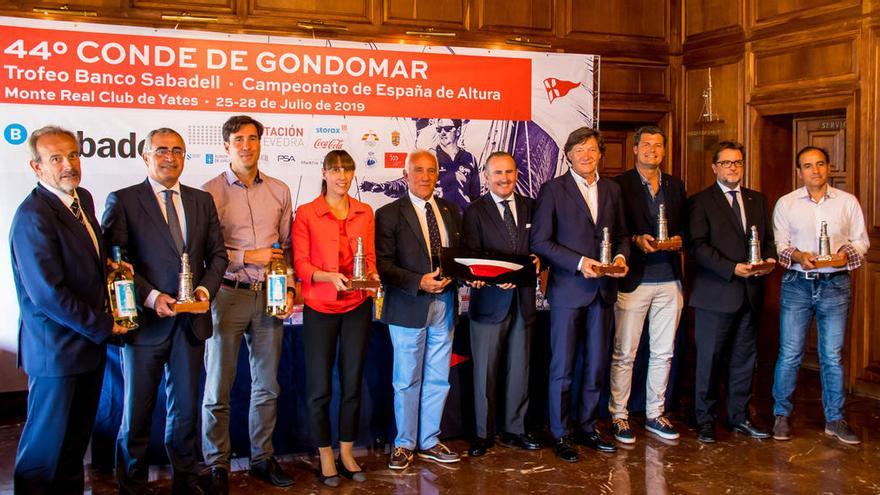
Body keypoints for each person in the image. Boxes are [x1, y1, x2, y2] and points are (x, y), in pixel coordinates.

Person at [103, 128, 228, 494]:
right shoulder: (123, 201)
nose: (169, 157)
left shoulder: (201, 200)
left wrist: (204, 289)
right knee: (137, 413)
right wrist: (151, 296)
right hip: (145, 324)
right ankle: (133, 484)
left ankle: (186, 478)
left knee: (186, 410)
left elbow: (218, 255)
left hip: (190, 323)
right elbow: (116, 262)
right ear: (145, 156)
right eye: (161, 150)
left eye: (177, 150)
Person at [11, 126, 129, 494]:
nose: (68, 165)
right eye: (56, 159)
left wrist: (109, 268)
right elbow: (48, 294)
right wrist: (105, 325)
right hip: (56, 353)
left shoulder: (83, 200)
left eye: (73, 155)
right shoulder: (33, 215)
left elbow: (85, 260)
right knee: (44, 453)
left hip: (86, 350)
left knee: (74, 447)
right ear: (36, 166)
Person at [201, 115, 295, 494]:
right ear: (226, 146)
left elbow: (284, 249)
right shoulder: (208, 192)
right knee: (218, 387)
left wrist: (288, 288)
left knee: (267, 386)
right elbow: (206, 252)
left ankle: (262, 458)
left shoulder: (279, 189)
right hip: (227, 294)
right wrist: (245, 255)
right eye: (238, 139)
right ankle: (217, 464)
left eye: (252, 138)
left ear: (260, 143)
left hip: (269, 297)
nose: (246, 145)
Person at [530, 127, 630, 462]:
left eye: (591, 149)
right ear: (568, 154)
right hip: (568, 291)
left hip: (603, 291)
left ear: (600, 153)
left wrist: (619, 257)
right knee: (563, 366)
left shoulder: (613, 190)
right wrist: (579, 262)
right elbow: (541, 242)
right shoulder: (553, 190)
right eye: (579, 150)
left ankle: (588, 426)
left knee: (597, 365)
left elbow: (623, 236)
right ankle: (561, 433)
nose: (586, 155)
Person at [770, 146, 869, 445]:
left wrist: (843, 256)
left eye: (820, 164)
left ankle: (835, 420)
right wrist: (799, 255)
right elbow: (781, 246)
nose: (815, 170)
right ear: (799, 171)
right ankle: (781, 416)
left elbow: (861, 241)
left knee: (832, 356)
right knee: (789, 354)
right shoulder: (786, 204)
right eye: (808, 166)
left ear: (829, 168)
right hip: (798, 284)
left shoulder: (847, 203)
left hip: (835, 284)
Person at [293, 150, 379, 486]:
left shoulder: (365, 211)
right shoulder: (306, 213)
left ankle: (346, 451)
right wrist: (328, 277)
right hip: (321, 308)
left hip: (357, 305)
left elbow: (369, 258)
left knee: (352, 384)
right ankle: (325, 453)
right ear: (325, 173)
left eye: (347, 170)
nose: (342, 176)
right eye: (335, 170)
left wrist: (371, 277)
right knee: (319, 388)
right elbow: (300, 264)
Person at [375, 150, 463, 470]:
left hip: (445, 304)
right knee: (406, 379)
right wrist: (419, 282)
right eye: (419, 171)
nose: (425, 177)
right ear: (406, 173)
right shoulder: (388, 214)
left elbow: (458, 254)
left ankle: (429, 440)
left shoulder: (450, 210)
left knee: (440, 378)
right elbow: (383, 265)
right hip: (408, 306)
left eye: (431, 171)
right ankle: (404, 443)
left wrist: (454, 274)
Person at [687, 140, 776, 444]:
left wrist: (769, 260)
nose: (732, 168)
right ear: (715, 167)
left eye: (737, 162)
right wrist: (731, 268)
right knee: (709, 361)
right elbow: (697, 247)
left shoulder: (757, 200)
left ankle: (739, 417)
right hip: (715, 295)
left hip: (750, 294)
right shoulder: (700, 201)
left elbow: (767, 240)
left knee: (743, 361)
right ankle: (705, 420)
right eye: (726, 163)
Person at [608, 126, 687, 443]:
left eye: (658, 145)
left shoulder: (675, 185)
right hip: (634, 280)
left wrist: (680, 240)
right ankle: (619, 415)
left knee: (664, 352)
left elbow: (686, 227)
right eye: (647, 145)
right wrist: (637, 241)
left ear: (664, 151)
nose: (652, 150)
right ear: (635, 149)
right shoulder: (619, 185)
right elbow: (613, 229)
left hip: (670, 280)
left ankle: (655, 413)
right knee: (625, 353)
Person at [462, 151, 541, 457]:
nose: (504, 179)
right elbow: (471, 256)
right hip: (489, 303)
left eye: (509, 172)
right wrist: (495, 277)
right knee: (485, 372)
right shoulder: (474, 212)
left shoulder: (530, 206)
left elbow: (539, 249)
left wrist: (538, 260)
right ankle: (483, 434)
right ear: (486, 176)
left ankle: (515, 429)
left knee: (519, 369)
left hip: (522, 302)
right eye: (497, 173)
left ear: (517, 174)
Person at [361, 119, 481, 211]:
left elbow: (475, 197)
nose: (443, 133)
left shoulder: (469, 158)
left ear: (458, 131)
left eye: (448, 128)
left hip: (464, 222)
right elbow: (408, 183)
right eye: (439, 129)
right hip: (439, 219)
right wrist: (382, 187)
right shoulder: (429, 157)